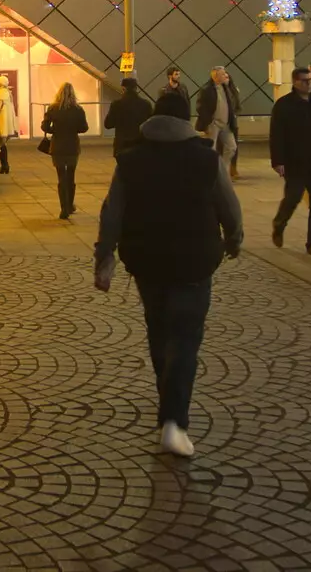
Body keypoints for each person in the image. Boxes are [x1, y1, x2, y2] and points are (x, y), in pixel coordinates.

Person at [95, 90, 242, 458]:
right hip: (195, 259)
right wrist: (233, 239)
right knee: (186, 339)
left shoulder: (129, 160)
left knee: (159, 330)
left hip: (146, 259)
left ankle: (167, 409)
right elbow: (228, 205)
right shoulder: (206, 160)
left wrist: (105, 258)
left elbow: (112, 211)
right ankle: (174, 421)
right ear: (186, 120)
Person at [270, 67, 311, 257]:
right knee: (293, 198)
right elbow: (276, 135)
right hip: (295, 162)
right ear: (295, 82)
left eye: (310, 80)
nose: (309, 84)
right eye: (305, 81)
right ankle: (279, 223)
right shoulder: (284, 105)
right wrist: (278, 161)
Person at [42, 82, 89, 220]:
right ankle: (70, 205)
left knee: (61, 177)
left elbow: (45, 126)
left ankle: (63, 208)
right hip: (72, 146)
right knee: (71, 177)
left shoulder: (53, 108)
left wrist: (54, 130)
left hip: (58, 146)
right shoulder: (78, 109)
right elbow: (84, 128)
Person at [194, 67, 241, 181]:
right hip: (213, 124)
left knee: (231, 147)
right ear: (215, 76)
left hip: (226, 123)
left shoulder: (226, 88)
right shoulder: (206, 90)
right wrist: (208, 122)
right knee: (211, 150)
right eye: (222, 74)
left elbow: (232, 103)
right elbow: (200, 107)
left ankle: (222, 171)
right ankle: (210, 174)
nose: (225, 76)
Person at [105, 78, 154, 155]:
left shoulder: (116, 104)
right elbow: (151, 124)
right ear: (136, 88)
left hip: (122, 145)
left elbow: (108, 124)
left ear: (123, 88)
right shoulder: (146, 104)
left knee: (123, 166)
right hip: (140, 143)